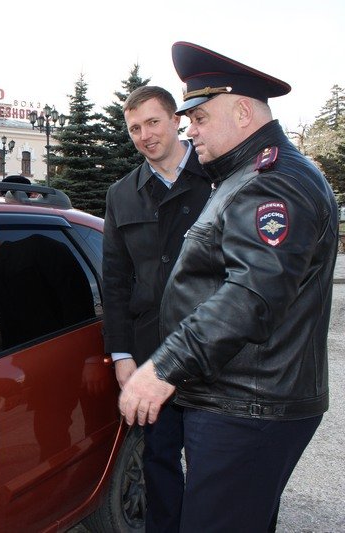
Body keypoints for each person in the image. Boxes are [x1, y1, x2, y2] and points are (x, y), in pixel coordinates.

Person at [119, 42, 338, 532]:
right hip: (242, 398)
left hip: (247, 406)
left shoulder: (271, 182)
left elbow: (251, 295)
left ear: (242, 112)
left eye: (198, 116)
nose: (188, 128)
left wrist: (165, 367)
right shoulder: (249, 175)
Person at [103, 85, 211, 532]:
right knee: (160, 462)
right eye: (134, 128)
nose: (145, 135)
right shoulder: (122, 194)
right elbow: (113, 281)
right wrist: (122, 355)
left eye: (152, 122)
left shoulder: (218, 178)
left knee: (214, 468)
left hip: (214, 351)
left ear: (175, 120)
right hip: (152, 355)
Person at [0, 228, 95, 350]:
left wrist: (75, 343)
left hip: (66, 346)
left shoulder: (36, 247)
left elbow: (76, 296)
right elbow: (6, 326)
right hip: (26, 357)